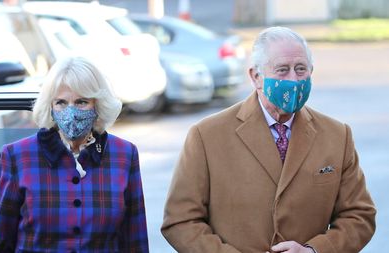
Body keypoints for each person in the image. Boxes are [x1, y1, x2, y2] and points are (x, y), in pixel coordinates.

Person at [161, 26, 376, 253]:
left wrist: (314, 251)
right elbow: (180, 221)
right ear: (256, 77)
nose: (293, 80)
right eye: (282, 70)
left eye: (301, 69)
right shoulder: (207, 136)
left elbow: (359, 216)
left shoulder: (337, 135)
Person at [0, 56, 149, 252]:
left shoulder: (124, 155)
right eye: (61, 102)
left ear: (98, 105)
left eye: (81, 102)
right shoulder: (18, 156)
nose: (71, 112)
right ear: (50, 107)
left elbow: (135, 243)